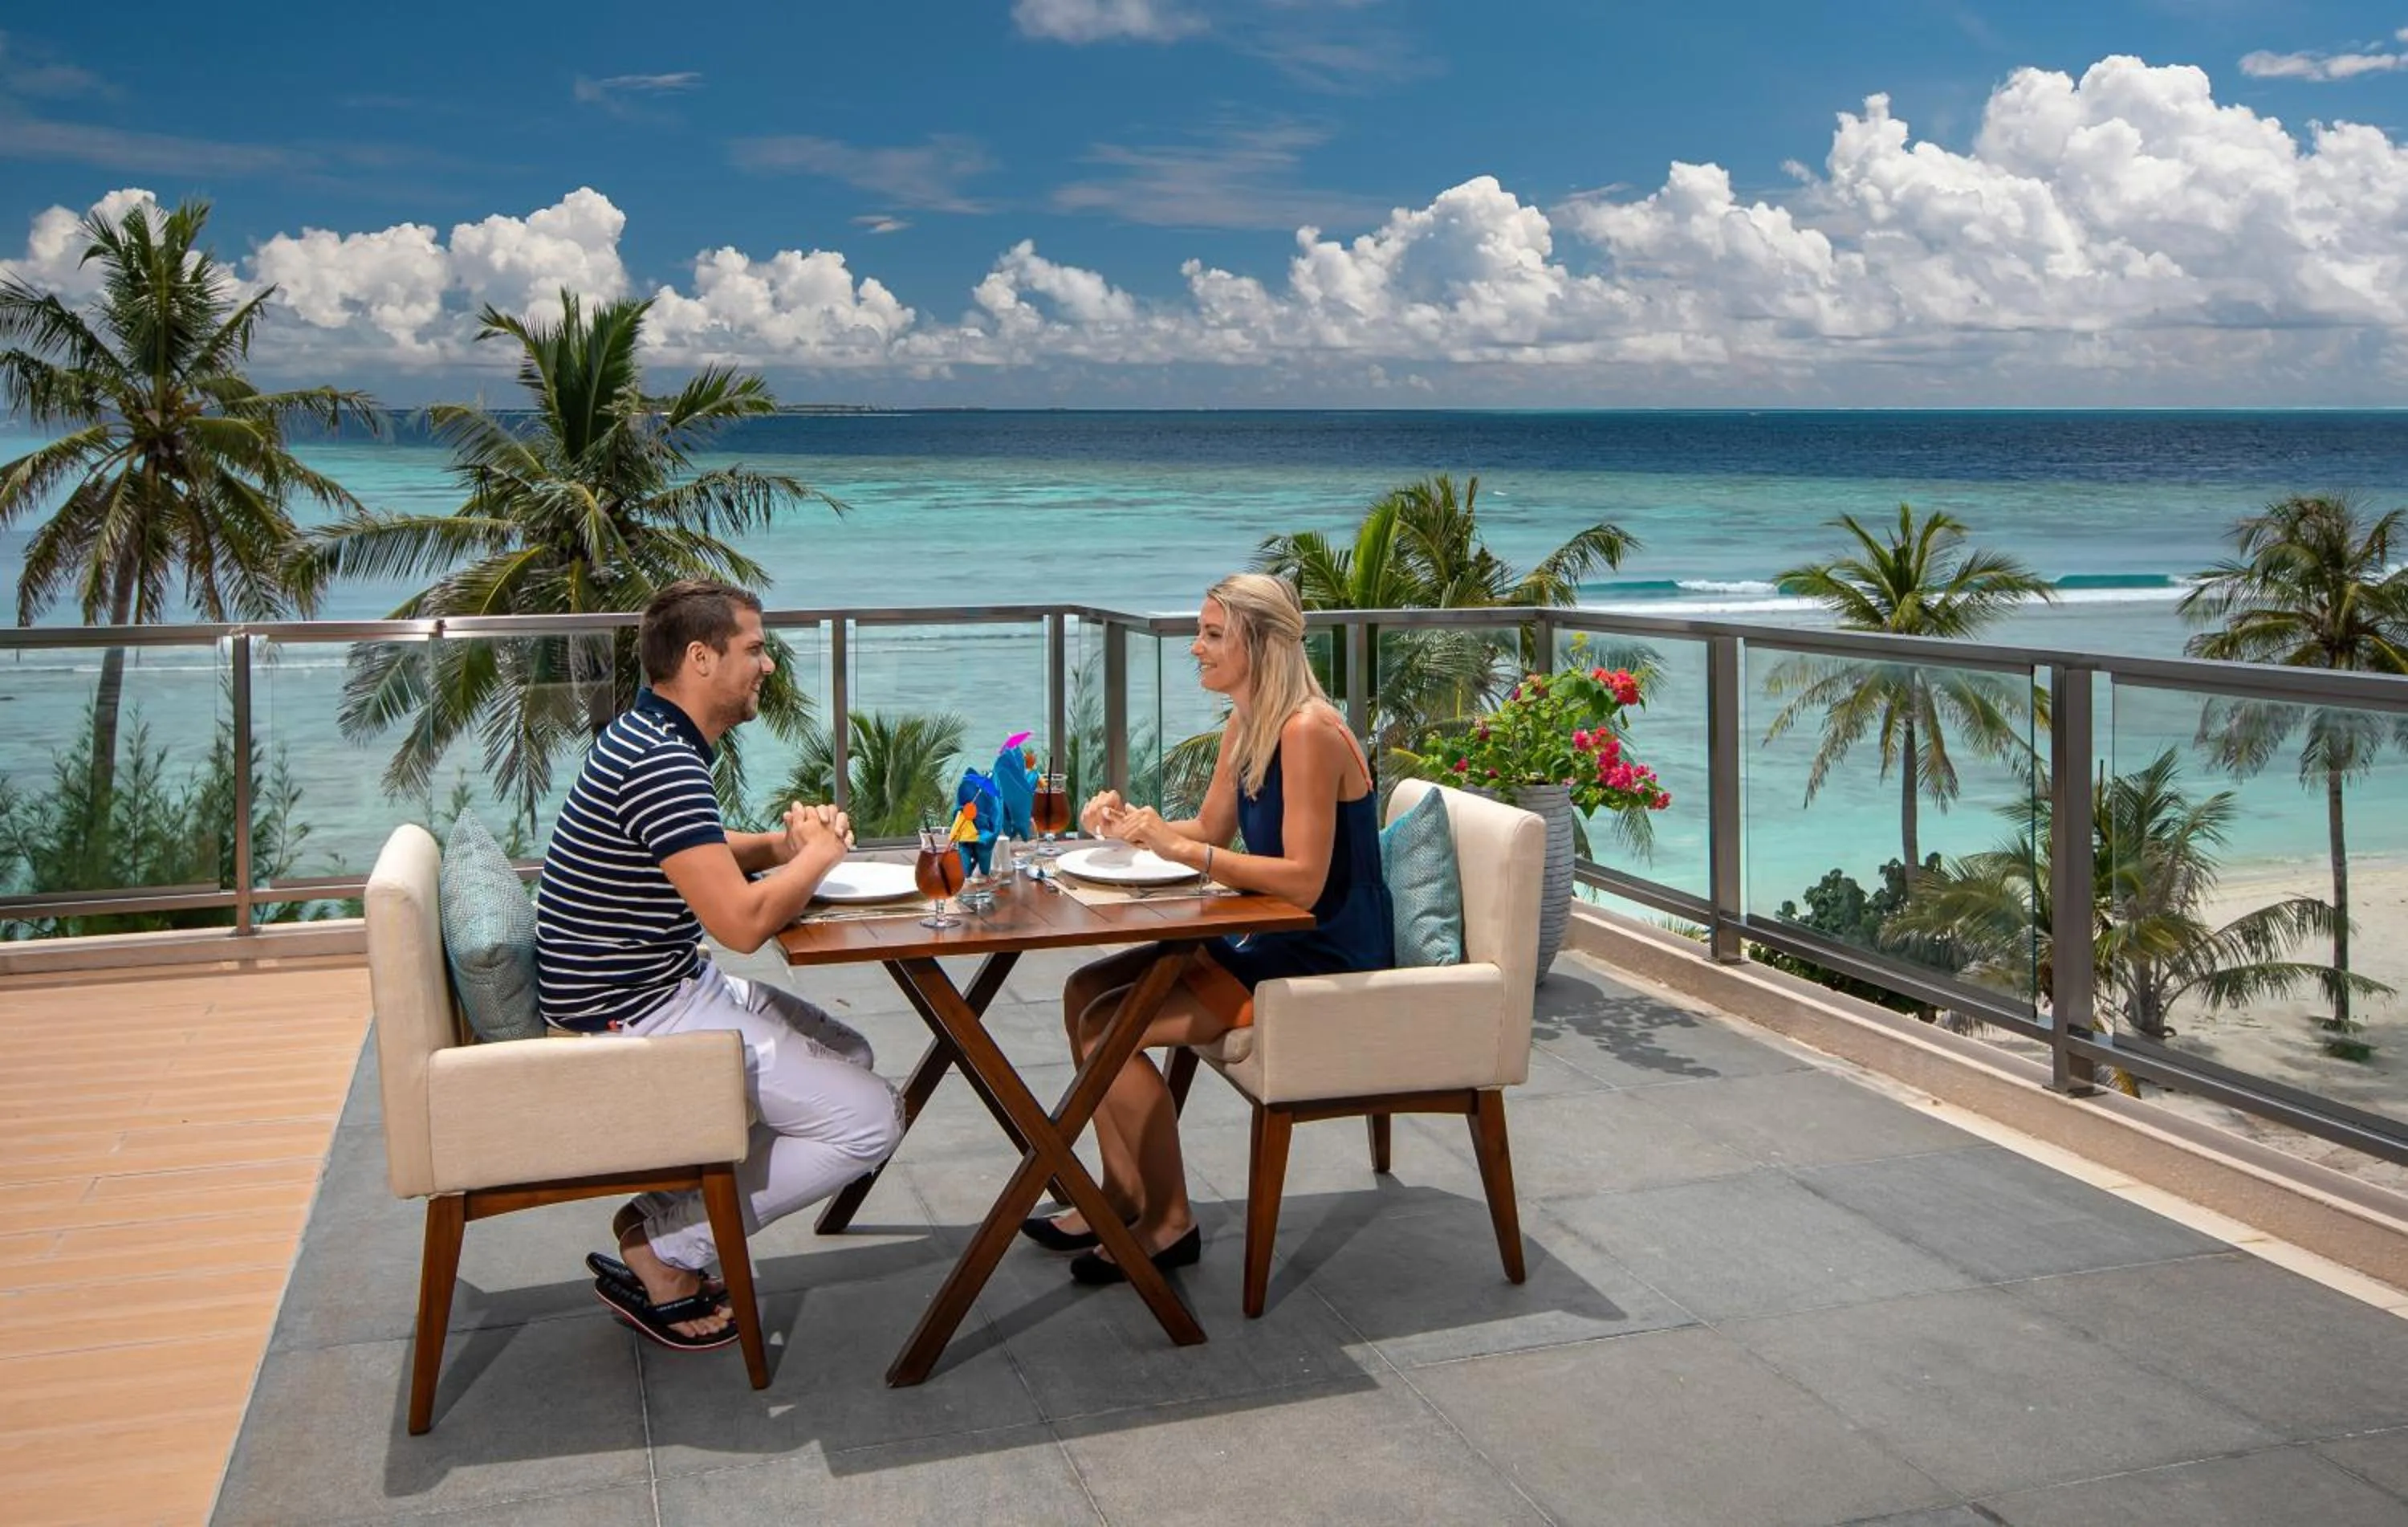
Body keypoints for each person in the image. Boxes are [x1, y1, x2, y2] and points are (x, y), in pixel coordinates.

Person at [535, 580, 904, 1349]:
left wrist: (782, 848)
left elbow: (697, 846)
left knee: (851, 1056)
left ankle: (674, 1215)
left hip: (657, 983)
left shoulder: (652, 739)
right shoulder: (661, 762)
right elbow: (740, 924)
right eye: (755, 649)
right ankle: (668, 1247)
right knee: (870, 1118)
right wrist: (824, 856)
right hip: (631, 1011)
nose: (767, 666)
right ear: (701, 659)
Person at [1024, 572, 1395, 1283]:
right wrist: (1132, 828)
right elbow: (1209, 830)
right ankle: (1122, 1193)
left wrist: (1184, 850)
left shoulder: (1310, 730)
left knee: (1109, 1029)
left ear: (1260, 642)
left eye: (1213, 634)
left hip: (1318, 954)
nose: (1196, 647)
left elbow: (1305, 880)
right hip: (1265, 936)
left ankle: (1170, 1222)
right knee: (1083, 993)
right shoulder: (1247, 721)